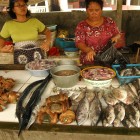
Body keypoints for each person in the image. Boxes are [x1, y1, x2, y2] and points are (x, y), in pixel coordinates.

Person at [75, 0, 120, 65]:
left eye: (97, 10)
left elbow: (117, 34)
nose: (94, 13)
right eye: (91, 10)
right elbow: (79, 43)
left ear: (101, 10)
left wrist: (116, 37)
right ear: (86, 10)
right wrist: (89, 50)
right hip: (89, 61)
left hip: (108, 60)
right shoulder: (81, 25)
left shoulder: (109, 22)